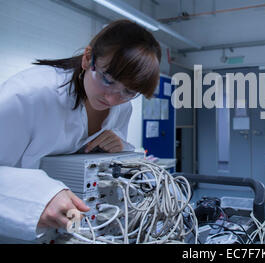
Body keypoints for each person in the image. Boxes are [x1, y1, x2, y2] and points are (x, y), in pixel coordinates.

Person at [0, 19, 161, 241]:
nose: (113, 98)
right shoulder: (29, 94)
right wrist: (38, 196)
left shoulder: (122, 108)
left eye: (129, 91)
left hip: (79, 228)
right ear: (88, 58)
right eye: (108, 80)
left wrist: (119, 147)